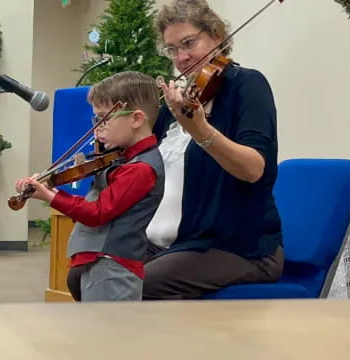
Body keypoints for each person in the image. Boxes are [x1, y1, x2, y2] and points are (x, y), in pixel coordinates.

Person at [144, 0, 284, 299]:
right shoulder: (178, 104)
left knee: (142, 281)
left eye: (189, 43)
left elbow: (253, 169)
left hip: (238, 247)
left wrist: (201, 131)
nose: (181, 57)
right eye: (172, 49)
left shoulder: (247, 85)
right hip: (177, 243)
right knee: (88, 272)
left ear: (217, 36)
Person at [16, 71, 164, 301]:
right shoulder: (123, 159)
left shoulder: (140, 169)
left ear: (136, 119)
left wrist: (50, 197)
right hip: (103, 263)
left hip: (114, 267)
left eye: (105, 118)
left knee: (105, 333)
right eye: (96, 119)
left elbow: (97, 213)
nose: (97, 128)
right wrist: (49, 190)